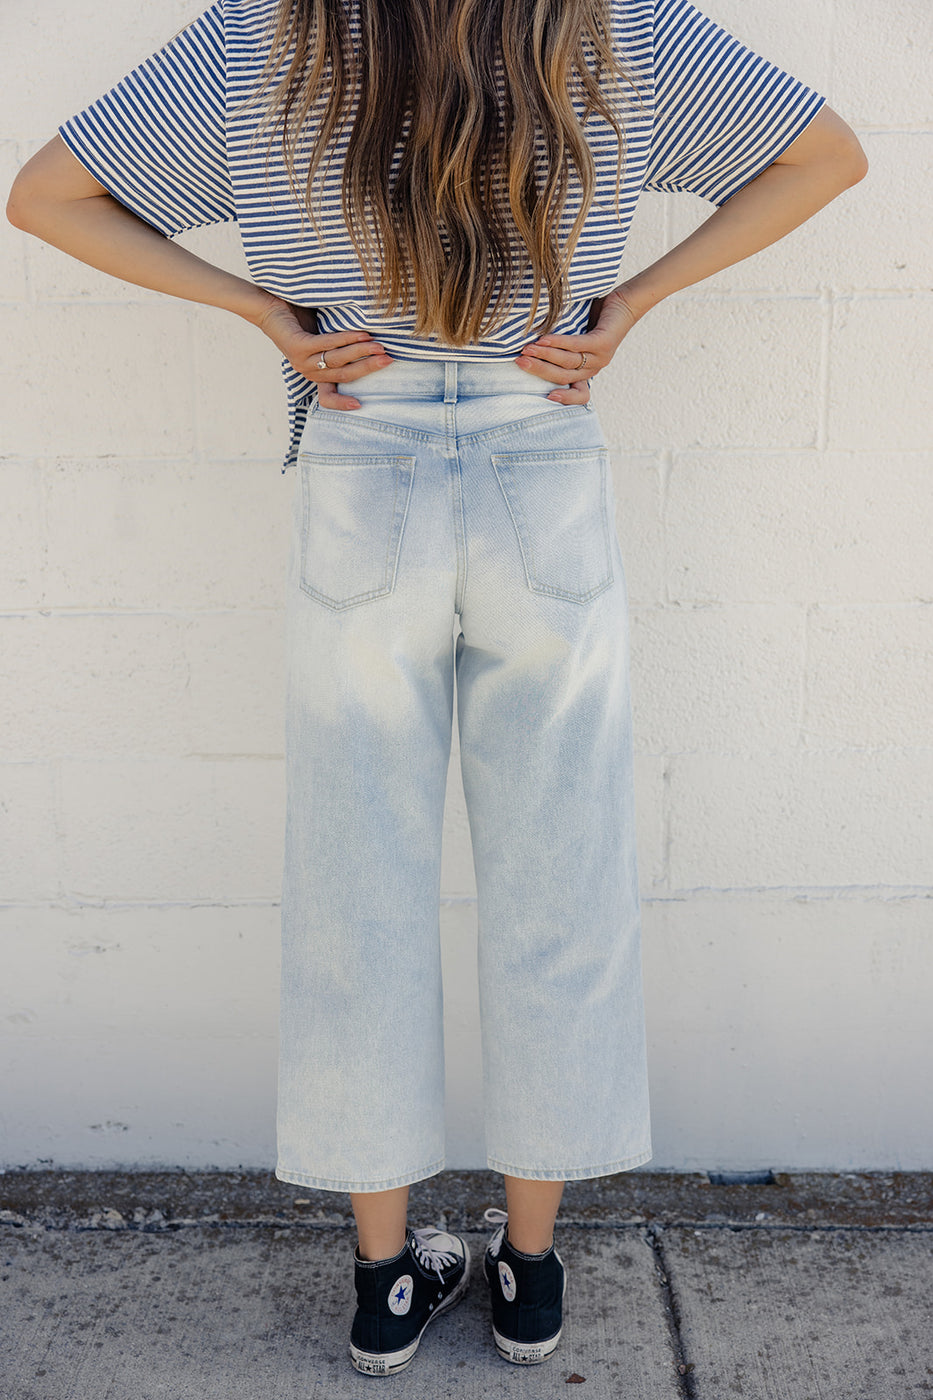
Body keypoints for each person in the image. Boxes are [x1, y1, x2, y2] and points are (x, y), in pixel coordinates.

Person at [7, 0, 867, 1377]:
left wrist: (263, 312)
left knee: (357, 889)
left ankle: (382, 1286)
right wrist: (626, 306)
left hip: (365, 457)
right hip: (543, 453)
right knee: (561, 880)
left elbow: (45, 195)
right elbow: (824, 157)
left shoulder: (266, 39)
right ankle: (529, 1276)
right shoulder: (610, 28)